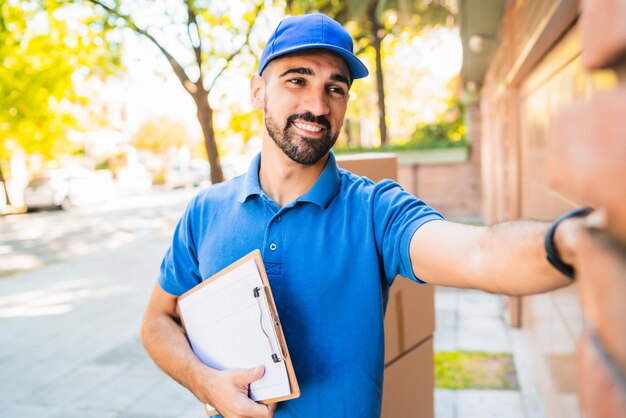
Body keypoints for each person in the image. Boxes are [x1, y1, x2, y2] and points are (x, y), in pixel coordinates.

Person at [140, 13, 586, 418]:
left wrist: (573, 241)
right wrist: (207, 383)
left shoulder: (376, 210)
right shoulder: (205, 211)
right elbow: (157, 322)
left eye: (336, 88)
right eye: (298, 79)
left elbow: (480, 253)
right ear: (257, 91)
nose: (318, 106)